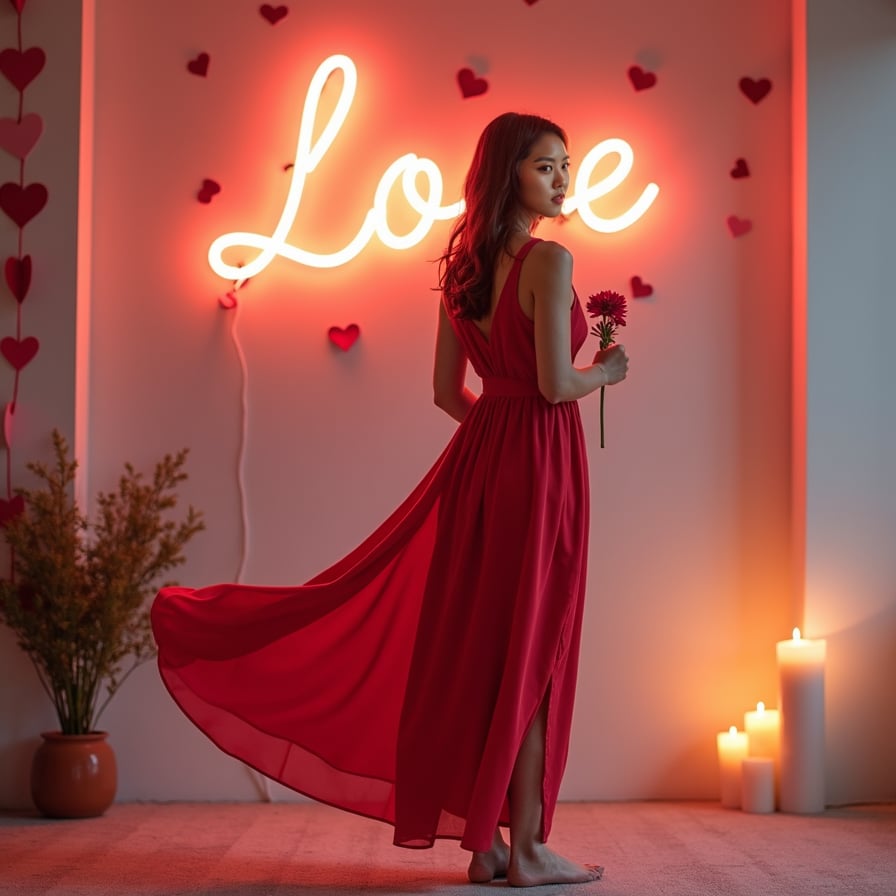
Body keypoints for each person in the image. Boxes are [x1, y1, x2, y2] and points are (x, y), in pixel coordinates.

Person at [151, 111, 628, 888]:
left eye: (566, 165)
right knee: (535, 651)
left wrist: (496, 438)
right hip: (541, 467)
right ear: (508, 172)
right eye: (546, 166)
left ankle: (487, 848)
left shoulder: (464, 268)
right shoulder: (549, 262)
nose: (563, 179)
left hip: (483, 464)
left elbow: (448, 395)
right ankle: (529, 851)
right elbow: (554, 386)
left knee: (486, 651)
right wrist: (603, 373)